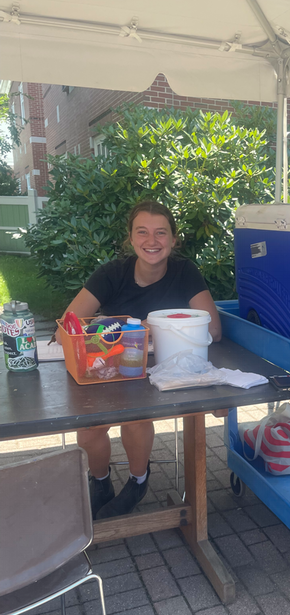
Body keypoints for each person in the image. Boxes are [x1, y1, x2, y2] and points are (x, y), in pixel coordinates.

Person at [60, 200, 222, 519]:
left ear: (174, 240)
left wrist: (153, 328)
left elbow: (213, 329)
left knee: (136, 417)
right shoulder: (112, 273)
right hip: (111, 368)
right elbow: (69, 324)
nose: (152, 241)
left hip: (163, 370)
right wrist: (109, 332)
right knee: (90, 425)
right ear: (130, 238)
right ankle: (101, 483)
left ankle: (138, 482)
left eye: (161, 233)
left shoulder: (184, 271)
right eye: (142, 232)